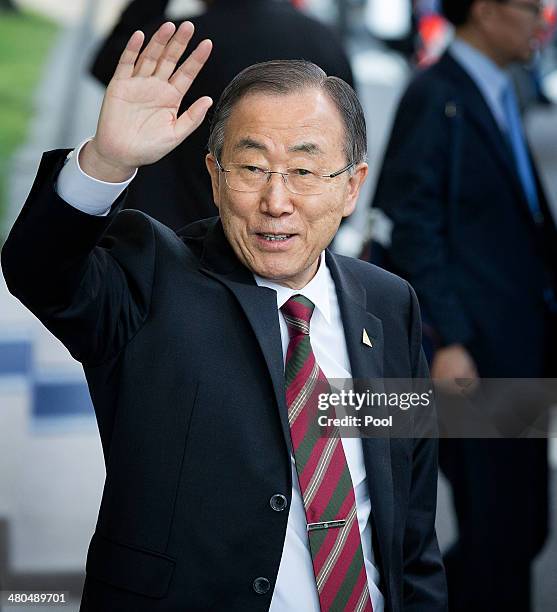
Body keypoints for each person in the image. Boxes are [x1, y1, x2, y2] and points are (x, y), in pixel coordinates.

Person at [1, 22, 447, 611]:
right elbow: (41, 273)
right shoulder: (155, 279)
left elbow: (408, 528)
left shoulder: (390, 305)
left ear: (352, 187)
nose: (276, 200)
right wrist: (106, 162)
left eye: (305, 171)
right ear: (214, 177)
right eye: (251, 167)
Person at [371, 0, 557, 610]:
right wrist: (446, 337)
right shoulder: (436, 94)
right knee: (499, 525)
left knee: (521, 522)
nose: (542, 21)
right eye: (531, 7)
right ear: (484, 10)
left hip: (515, 344)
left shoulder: (504, 91)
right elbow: (409, 224)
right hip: (473, 357)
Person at [90, 0, 355, 230]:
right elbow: (346, 143)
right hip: (278, 234)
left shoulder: (181, 38)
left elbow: (108, 66)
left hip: (168, 228)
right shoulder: (325, 41)